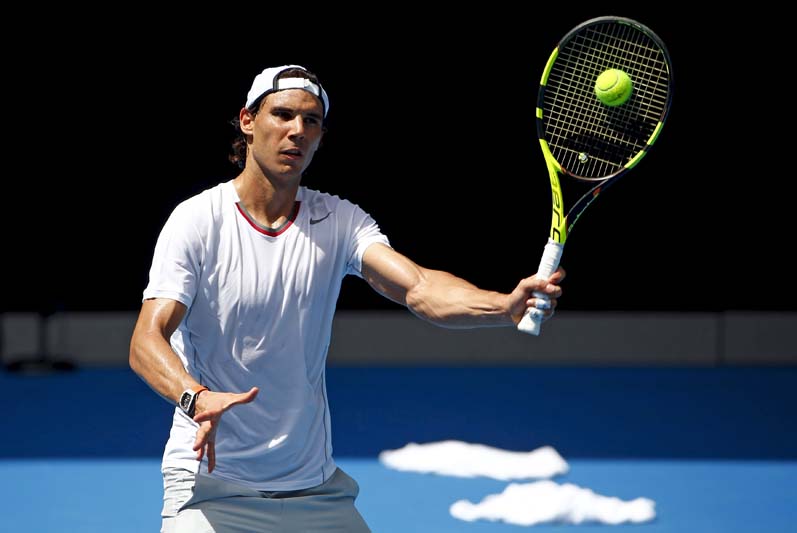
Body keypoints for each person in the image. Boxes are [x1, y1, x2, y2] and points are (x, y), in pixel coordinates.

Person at [129, 64, 566, 533]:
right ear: (247, 120)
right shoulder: (196, 222)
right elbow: (145, 340)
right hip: (213, 489)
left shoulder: (338, 220)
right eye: (283, 114)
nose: (297, 130)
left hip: (314, 491)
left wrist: (502, 305)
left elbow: (418, 286)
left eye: (311, 121)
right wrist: (194, 397)